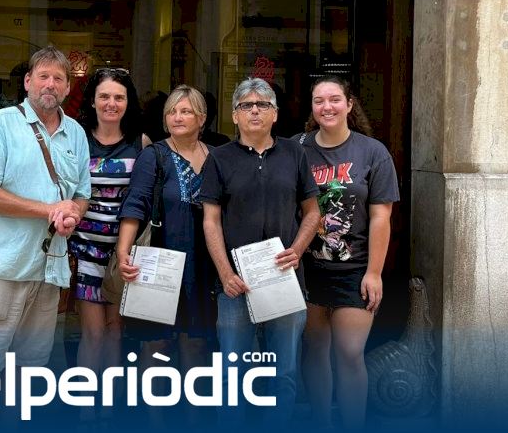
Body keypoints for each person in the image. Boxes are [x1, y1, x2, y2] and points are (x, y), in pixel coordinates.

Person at [0, 46, 91, 427]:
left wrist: (73, 213)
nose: (50, 84)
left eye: (58, 78)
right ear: (27, 82)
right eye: (43, 76)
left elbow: (81, 193)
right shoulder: (1, 124)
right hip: (2, 269)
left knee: (28, 373)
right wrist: (49, 210)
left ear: (68, 87)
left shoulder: (76, 133)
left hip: (47, 274)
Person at [198, 77, 321, 424]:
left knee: (284, 372)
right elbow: (210, 220)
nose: (254, 110)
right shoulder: (219, 159)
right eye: (246, 105)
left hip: (284, 278)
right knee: (231, 374)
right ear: (234, 115)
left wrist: (297, 249)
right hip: (235, 284)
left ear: (275, 114)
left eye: (263, 104)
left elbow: (312, 212)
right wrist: (225, 274)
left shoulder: (295, 154)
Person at [297, 76, 399, 429]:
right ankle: (322, 422)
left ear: (349, 104)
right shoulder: (298, 149)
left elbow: (381, 216)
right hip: (307, 269)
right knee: (314, 349)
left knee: (350, 353)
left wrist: (374, 272)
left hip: (354, 269)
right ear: (312, 107)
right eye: (319, 101)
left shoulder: (372, 152)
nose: (327, 107)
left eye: (335, 99)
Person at [116, 85, 216, 371]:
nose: (177, 117)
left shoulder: (216, 157)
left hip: (204, 266)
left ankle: (192, 402)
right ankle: (152, 402)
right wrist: (123, 252)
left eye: (185, 111)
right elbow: (135, 205)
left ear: (202, 118)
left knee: (196, 344)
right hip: (160, 260)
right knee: (157, 344)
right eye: (172, 111)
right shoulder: (154, 155)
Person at [68, 67, 149, 377]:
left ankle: (109, 401)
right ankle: (87, 404)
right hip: (85, 249)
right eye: (104, 96)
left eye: (119, 97)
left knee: (115, 330)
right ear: (92, 100)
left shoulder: (140, 143)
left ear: (128, 102)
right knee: (94, 333)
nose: (111, 103)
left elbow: (146, 196)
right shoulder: (77, 139)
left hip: (123, 254)